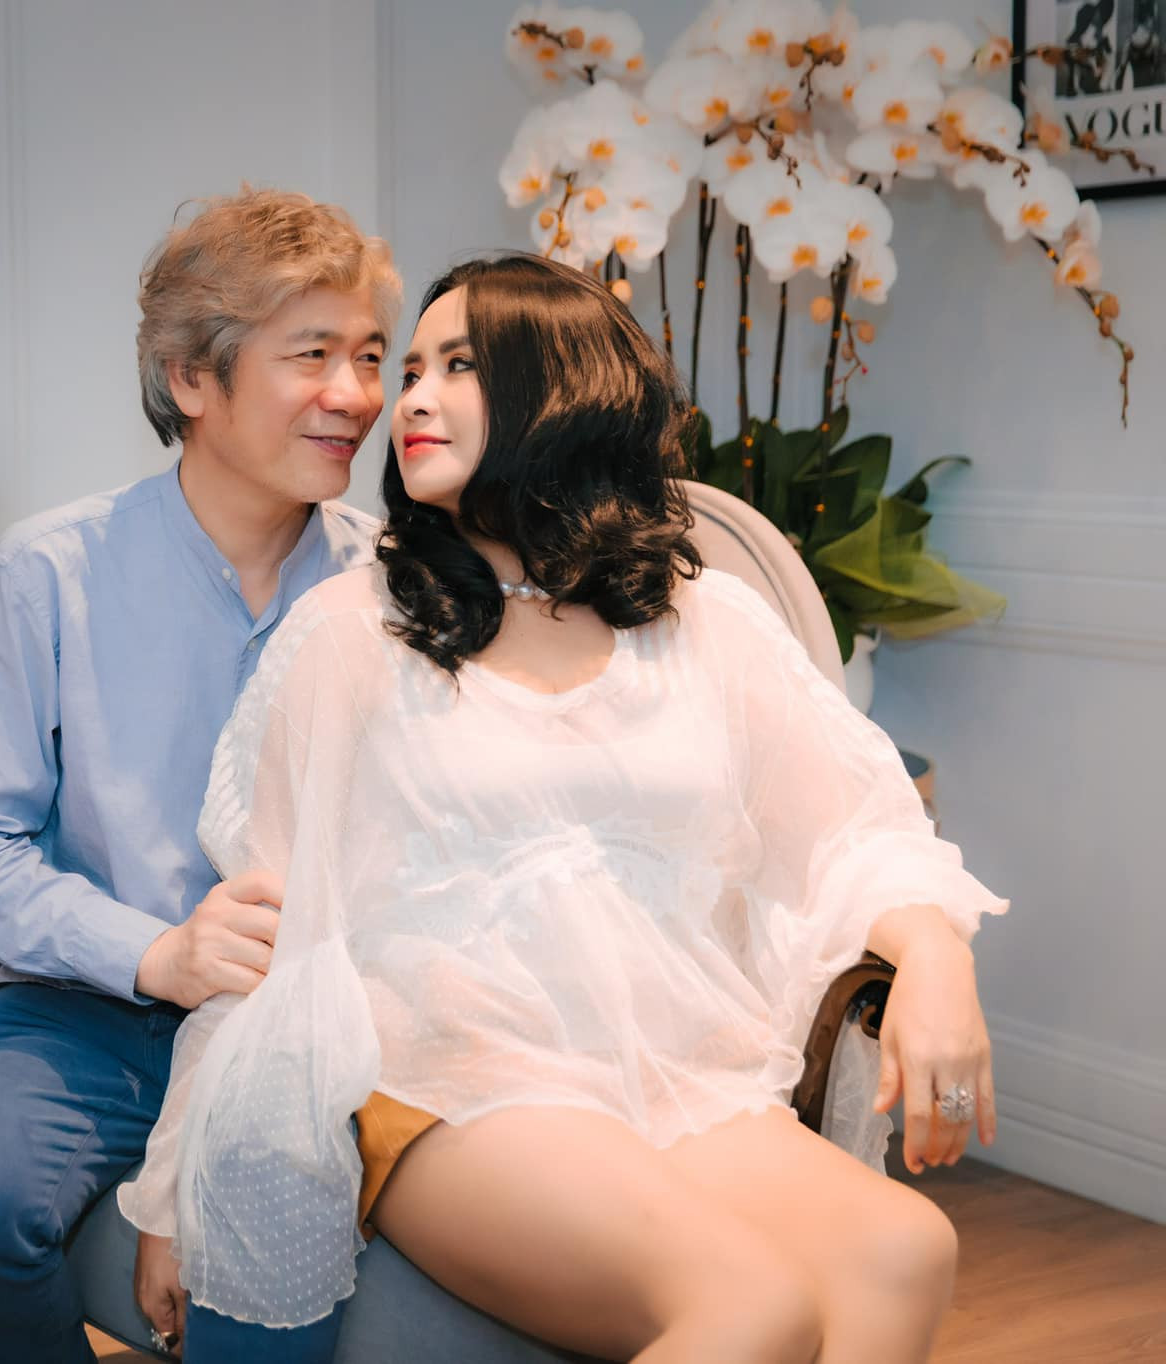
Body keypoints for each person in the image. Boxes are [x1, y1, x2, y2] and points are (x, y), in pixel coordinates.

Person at [123, 253, 1007, 1362]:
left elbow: (853, 828)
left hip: (679, 1074)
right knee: (752, 1306)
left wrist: (935, 958)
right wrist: (177, 1184)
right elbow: (269, 928)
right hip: (451, 1079)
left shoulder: (704, 623)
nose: (409, 399)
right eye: (411, 370)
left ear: (562, 390)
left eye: (457, 366)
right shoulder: (353, 631)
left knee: (906, 1249)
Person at [0, 186, 400, 1362]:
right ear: (190, 378)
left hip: (312, 1021)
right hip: (84, 1011)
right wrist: (152, 952)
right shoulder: (42, 576)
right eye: (311, 353)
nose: (355, 394)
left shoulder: (391, 588)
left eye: (369, 354)